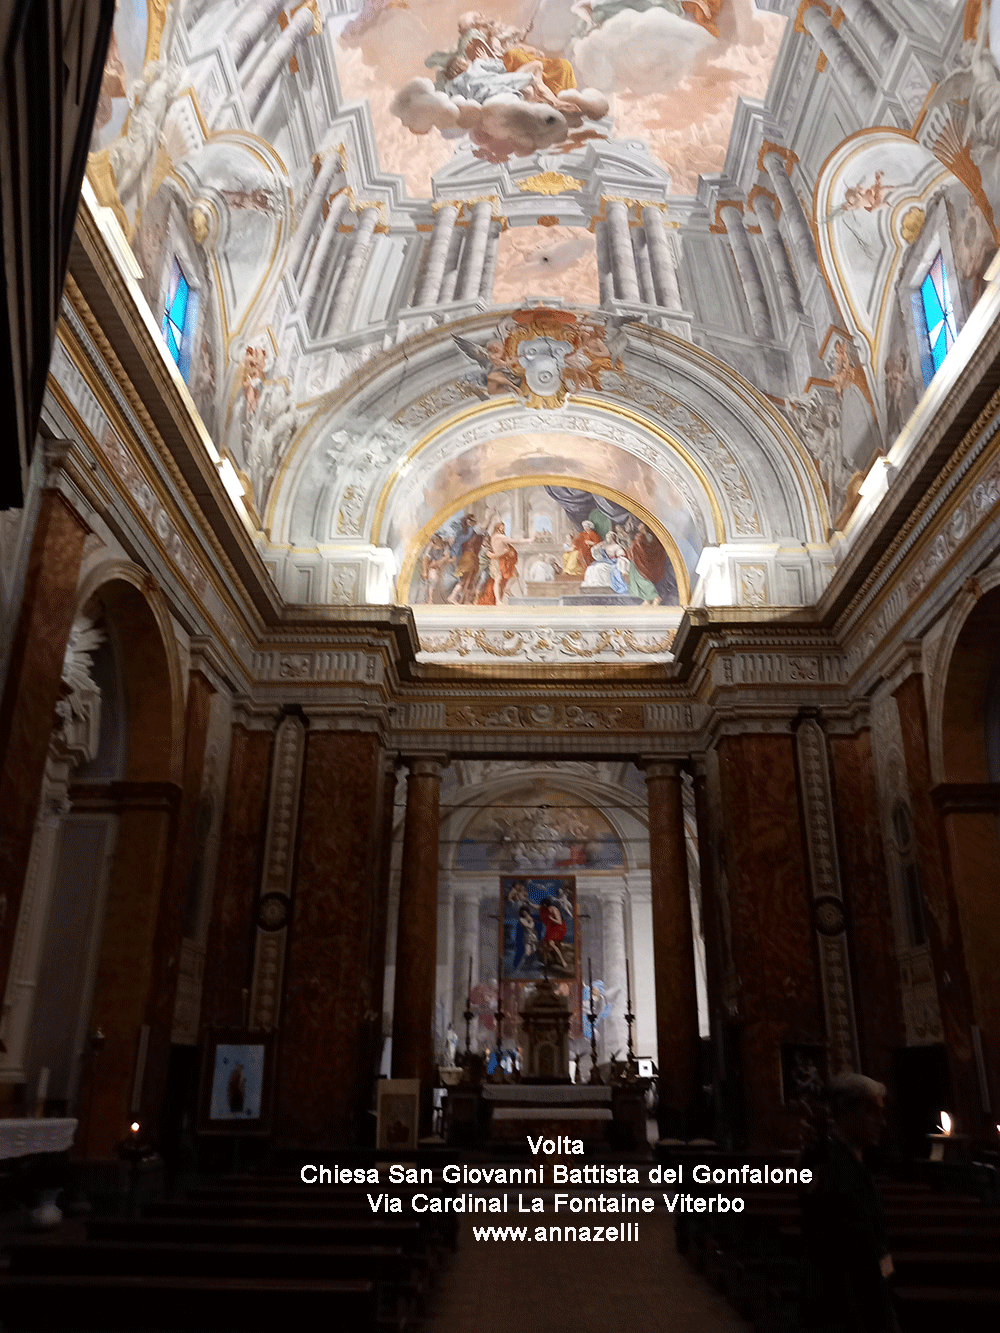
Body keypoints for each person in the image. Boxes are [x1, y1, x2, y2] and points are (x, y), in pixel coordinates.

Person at [799, 1073, 900, 1333]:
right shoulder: (827, 1166)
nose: (882, 1122)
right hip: (845, 1309)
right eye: (873, 1113)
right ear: (846, 1114)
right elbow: (844, 1249)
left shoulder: (846, 1163)